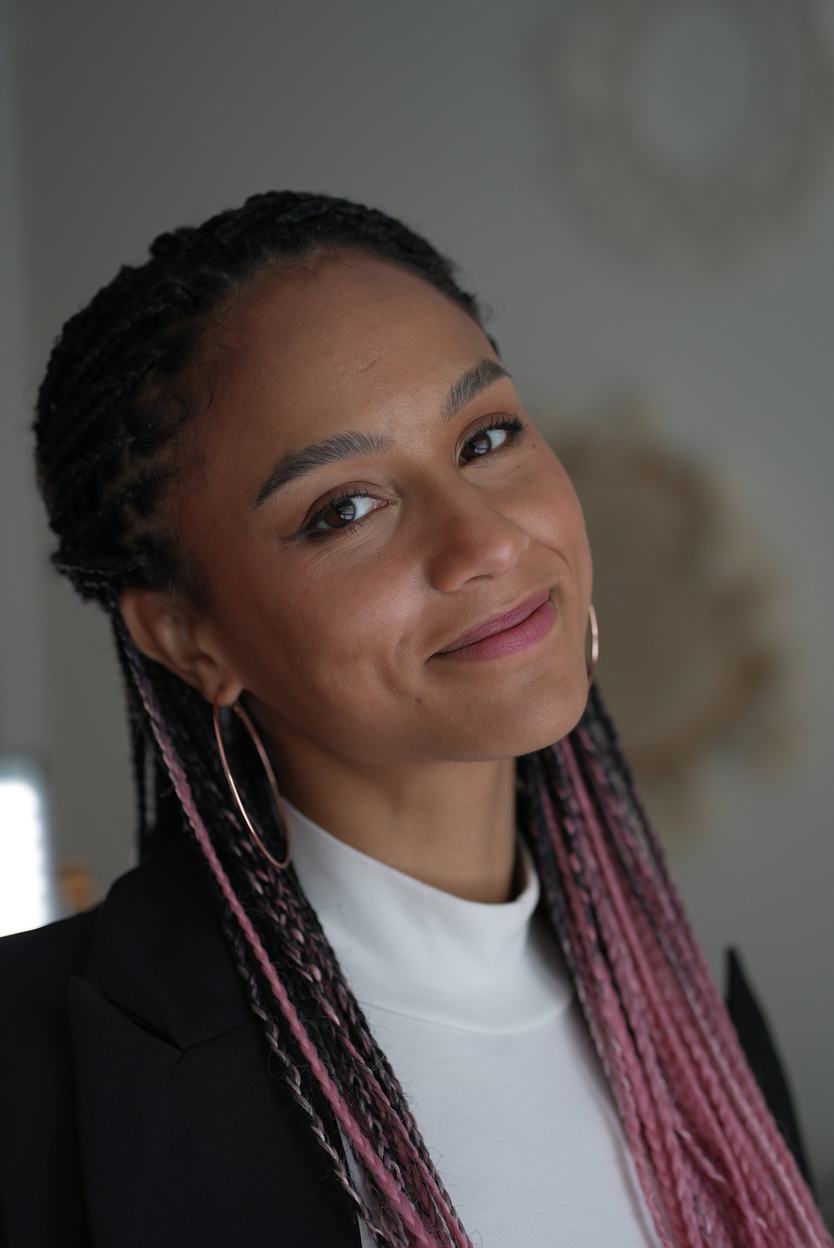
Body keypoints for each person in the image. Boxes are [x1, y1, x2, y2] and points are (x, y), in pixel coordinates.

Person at [0, 190, 829, 1248]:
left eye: (486, 437)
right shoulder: (35, 1076)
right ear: (188, 636)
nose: (485, 541)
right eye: (344, 508)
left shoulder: (707, 1040)